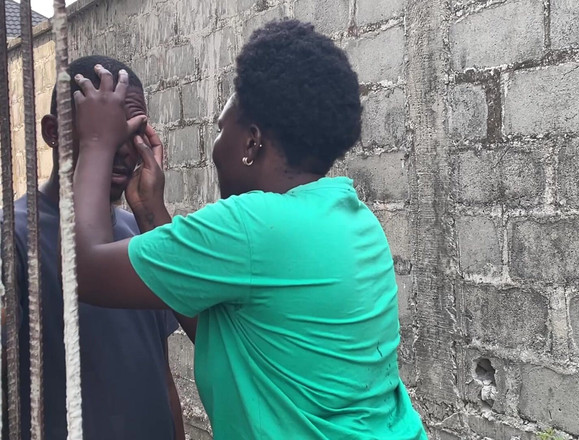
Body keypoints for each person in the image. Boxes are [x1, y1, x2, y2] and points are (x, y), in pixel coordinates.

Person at [70, 20, 427, 439]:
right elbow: (232, 339)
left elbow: (86, 269)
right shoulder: (351, 217)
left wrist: (95, 141)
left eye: (222, 128)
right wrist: (151, 212)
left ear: (252, 142)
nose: (216, 143)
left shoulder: (252, 225)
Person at [0, 56, 185, 440]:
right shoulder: (2, 237)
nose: (123, 147)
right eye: (104, 130)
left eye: (133, 130)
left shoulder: (141, 232)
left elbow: (161, 377)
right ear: (52, 132)